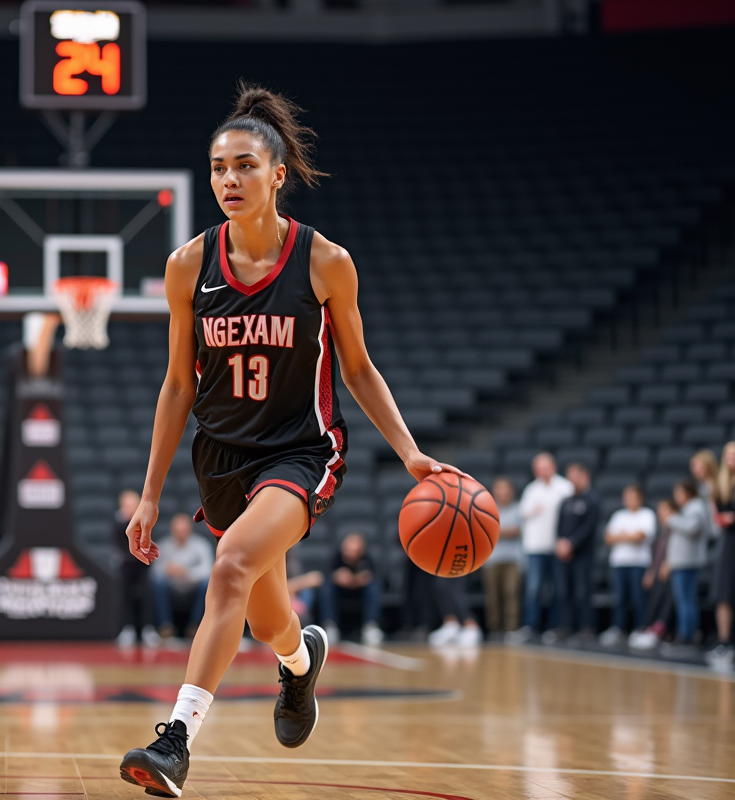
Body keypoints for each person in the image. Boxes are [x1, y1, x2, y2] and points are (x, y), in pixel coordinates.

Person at [117, 83, 462, 798]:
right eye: (219, 167)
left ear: (277, 174)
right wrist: (149, 495)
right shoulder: (187, 266)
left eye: (245, 166)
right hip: (221, 455)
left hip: (299, 451)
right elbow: (178, 385)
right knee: (266, 613)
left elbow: (357, 368)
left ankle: (176, 740)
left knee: (230, 565)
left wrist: (409, 452)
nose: (229, 180)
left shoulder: (325, 261)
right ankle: (300, 662)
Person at [509, 453, 574, 644]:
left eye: (545, 467)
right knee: (533, 589)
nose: (542, 471)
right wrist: (533, 510)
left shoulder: (565, 487)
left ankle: (555, 627)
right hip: (535, 547)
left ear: (553, 467)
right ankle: (530, 626)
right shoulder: (531, 489)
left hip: (556, 547)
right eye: (539, 468)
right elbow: (522, 513)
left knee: (557, 589)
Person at [598, 484, 655, 646]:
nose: (628, 500)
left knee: (638, 598)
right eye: (626, 496)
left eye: (632, 496)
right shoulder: (618, 515)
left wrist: (621, 536)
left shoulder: (647, 514)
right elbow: (608, 538)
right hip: (619, 563)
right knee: (619, 598)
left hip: (638, 563)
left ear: (640, 498)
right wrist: (629, 536)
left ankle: (640, 629)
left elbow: (640, 536)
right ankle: (618, 628)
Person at [553, 463, 601, 641]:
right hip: (565, 555)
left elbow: (589, 527)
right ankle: (566, 626)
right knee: (564, 591)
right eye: (569, 476)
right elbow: (559, 526)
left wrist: (572, 543)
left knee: (583, 591)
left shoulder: (592, 500)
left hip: (583, 554)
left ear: (584, 475)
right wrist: (560, 543)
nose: (571, 480)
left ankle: (586, 627)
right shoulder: (566, 501)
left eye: (574, 476)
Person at [659, 480, 710, 646]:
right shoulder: (687, 508)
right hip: (680, 561)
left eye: (679, 492)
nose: (676, 496)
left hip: (687, 561)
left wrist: (671, 518)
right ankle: (684, 632)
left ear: (688, 492)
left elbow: (692, 528)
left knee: (686, 600)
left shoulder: (696, 506)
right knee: (683, 600)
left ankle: (686, 635)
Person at [151, 514, 215, 639]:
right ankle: (165, 626)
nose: (180, 533)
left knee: (206, 583)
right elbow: (155, 570)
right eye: (177, 530)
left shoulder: (201, 545)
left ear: (190, 529)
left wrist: (186, 572)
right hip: (171, 586)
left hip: (193, 586)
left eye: (183, 530)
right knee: (158, 583)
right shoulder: (164, 546)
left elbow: (208, 570)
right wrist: (168, 570)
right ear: (172, 530)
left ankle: (196, 626)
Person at [115, 490, 161, 649]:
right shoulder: (118, 522)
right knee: (125, 596)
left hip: (143, 565)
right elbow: (120, 544)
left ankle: (149, 628)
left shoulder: (145, 519)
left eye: (132, 505)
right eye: (126, 505)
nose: (129, 508)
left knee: (147, 595)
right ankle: (127, 629)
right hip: (126, 566)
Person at [629, 499, 678, 650]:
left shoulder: (675, 531)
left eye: (666, 510)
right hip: (658, 573)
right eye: (660, 510)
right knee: (653, 596)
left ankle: (660, 628)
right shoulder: (661, 533)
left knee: (667, 596)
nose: (662, 514)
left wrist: (669, 563)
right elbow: (656, 557)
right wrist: (651, 572)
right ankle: (648, 626)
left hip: (672, 572)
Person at [705, 441, 735, 670]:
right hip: (728, 543)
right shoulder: (722, 485)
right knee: (723, 593)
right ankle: (725, 643)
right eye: (728, 455)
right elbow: (717, 519)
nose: (731, 459)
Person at [481, 476, 522, 636]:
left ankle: (511, 628)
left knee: (511, 593)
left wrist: (495, 530)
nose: (503, 492)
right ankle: (494, 629)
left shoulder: (518, 508)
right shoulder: (488, 508)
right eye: (500, 489)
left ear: (511, 491)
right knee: (493, 596)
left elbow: (516, 531)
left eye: (506, 489)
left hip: (513, 559)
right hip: (492, 559)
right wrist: (502, 530)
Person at [329, 532, 383, 645]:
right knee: (327, 588)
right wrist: (338, 577)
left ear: (360, 551)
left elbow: (372, 575)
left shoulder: (367, 558)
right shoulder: (336, 557)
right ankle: (330, 626)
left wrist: (359, 579)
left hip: (360, 591)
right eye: (347, 550)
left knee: (373, 587)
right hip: (340, 591)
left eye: (353, 551)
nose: (349, 554)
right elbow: (326, 575)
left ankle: (370, 626)